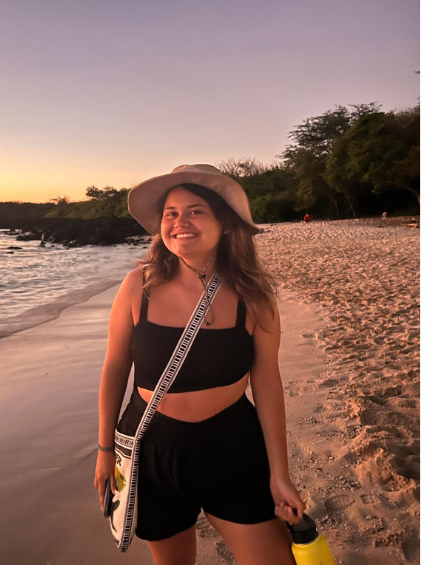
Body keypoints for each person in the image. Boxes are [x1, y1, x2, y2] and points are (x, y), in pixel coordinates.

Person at [94, 164, 306, 565]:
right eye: (171, 213)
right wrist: (105, 449)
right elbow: (114, 369)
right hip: (154, 446)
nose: (180, 222)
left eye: (195, 211)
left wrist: (280, 475)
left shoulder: (253, 294)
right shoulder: (137, 286)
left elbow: (267, 384)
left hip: (232, 445)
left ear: (225, 224)